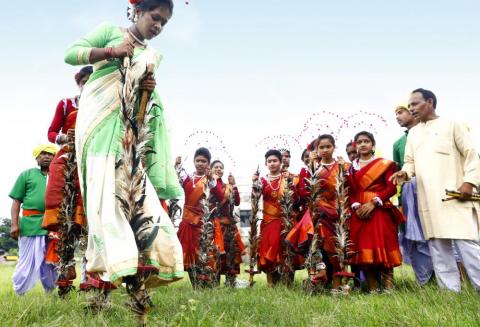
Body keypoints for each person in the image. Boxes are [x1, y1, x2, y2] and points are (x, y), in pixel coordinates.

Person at [64, 0, 183, 315]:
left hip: (128, 141)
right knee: (106, 209)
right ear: (138, 11)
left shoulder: (151, 56)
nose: (157, 26)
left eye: (164, 24)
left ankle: (137, 291)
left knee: (141, 210)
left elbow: (140, 112)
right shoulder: (109, 33)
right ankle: (100, 294)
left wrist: (147, 92)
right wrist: (110, 52)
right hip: (99, 135)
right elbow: (71, 53)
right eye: (155, 18)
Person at [390, 88, 480, 292]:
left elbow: (471, 154)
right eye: (409, 105)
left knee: (467, 245)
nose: (411, 108)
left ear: (429, 102)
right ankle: (450, 293)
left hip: (456, 196)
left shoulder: (452, 124)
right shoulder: (413, 133)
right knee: (438, 248)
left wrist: (469, 182)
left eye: (414, 104)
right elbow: (409, 162)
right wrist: (404, 174)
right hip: (428, 200)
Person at [43, 66, 92, 295]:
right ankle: (63, 283)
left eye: (95, 80)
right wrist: (64, 137)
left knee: (89, 226)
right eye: (86, 80)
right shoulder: (66, 104)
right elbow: (51, 133)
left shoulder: (103, 107)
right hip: (67, 159)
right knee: (66, 223)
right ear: (79, 82)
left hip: (91, 162)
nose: (89, 83)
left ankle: (88, 280)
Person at [288, 135, 350, 290]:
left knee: (335, 247)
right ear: (316, 150)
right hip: (317, 213)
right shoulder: (311, 168)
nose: (324, 150)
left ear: (334, 147)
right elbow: (304, 193)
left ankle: (338, 286)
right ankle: (318, 280)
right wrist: (312, 168)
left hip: (338, 212)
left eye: (328, 146)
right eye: (321, 147)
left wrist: (343, 170)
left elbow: (351, 188)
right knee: (314, 244)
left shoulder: (344, 166)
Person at [348, 131, 404, 293]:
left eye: (367, 141)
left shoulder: (386, 164)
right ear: (355, 146)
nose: (363, 144)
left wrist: (373, 203)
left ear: (373, 145)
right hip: (358, 212)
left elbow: (392, 187)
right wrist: (356, 205)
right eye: (359, 142)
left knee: (384, 246)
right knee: (363, 248)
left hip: (379, 210)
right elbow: (348, 192)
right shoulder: (350, 168)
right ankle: (372, 288)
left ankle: (389, 288)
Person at [393, 104, 434, 285]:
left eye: (401, 112)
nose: (397, 116)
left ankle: (449, 279)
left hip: (432, 190)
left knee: (437, 234)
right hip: (409, 193)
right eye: (396, 114)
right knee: (414, 237)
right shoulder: (398, 144)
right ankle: (423, 279)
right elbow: (399, 171)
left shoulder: (431, 133)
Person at [9, 144, 58, 295]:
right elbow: (16, 202)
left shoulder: (59, 177)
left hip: (54, 227)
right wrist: (14, 224)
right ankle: (20, 294)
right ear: (36, 158)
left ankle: (50, 294)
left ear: (55, 158)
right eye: (42, 154)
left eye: (50, 154)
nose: (46, 157)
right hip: (30, 226)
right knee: (26, 262)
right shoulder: (27, 175)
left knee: (51, 264)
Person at [253, 149, 297, 286]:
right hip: (268, 222)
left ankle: (286, 283)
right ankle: (270, 283)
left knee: (285, 251)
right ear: (266, 163)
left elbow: (295, 198)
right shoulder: (262, 180)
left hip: (285, 221)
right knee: (268, 251)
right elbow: (255, 198)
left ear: (280, 162)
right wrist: (254, 185)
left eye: (275, 161)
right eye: (269, 161)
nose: (272, 164)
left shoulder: (287, 179)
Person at [176, 147, 218, 287]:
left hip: (202, 223)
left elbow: (219, 195)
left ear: (208, 164)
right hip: (187, 222)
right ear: (194, 161)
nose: (200, 163)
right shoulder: (186, 178)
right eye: (198, 160)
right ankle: (195, 284)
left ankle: (205, 283)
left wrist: (211, 178)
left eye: (204, 161)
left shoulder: (210, 180)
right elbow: (174, 183)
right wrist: (176, 166)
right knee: (188, 253)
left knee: (202, 253)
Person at [209, 160, 246, 286]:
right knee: (216, 253)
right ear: (211, 169)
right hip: (214, 225)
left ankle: (231, 282)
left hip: (229, 225)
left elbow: (237, 202)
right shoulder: (211, 184)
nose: (219, 169)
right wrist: (215, 179)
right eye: (216, 167)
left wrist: (233, 185)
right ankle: (215, 282)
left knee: (231, 253)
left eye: (221, 167)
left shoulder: (228, 186)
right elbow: (219, 195)